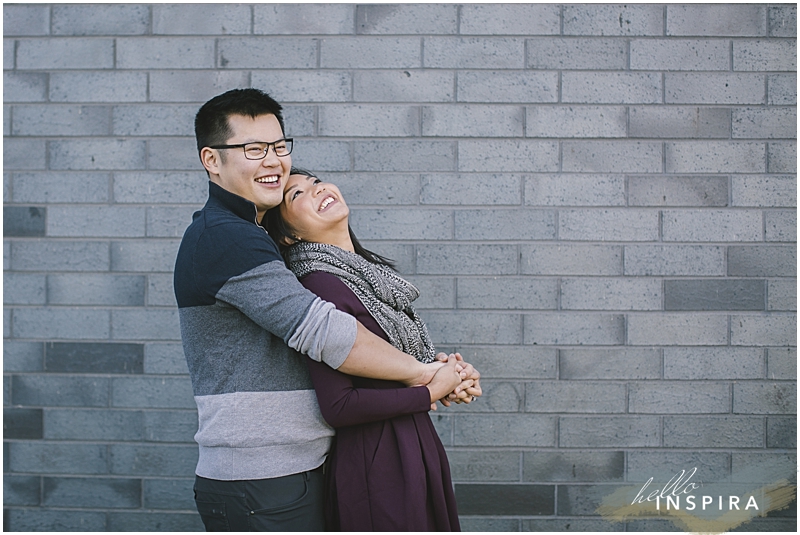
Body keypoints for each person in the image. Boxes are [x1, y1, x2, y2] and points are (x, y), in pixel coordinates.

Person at [174, 88, 480, 531]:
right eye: (253, 149)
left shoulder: (251, 235)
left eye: (279, 147)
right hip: (261, 480)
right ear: (212, 159)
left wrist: (430, 371)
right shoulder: (225, 237)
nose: (272, 161)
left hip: (293, 470)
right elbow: (321, 331)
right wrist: (426, 377)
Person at [265, 168, 469, 531]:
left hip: (410, 445)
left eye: (315, 182)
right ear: (288, 235)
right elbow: (339, 406)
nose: (318, 189)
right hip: (377, 463)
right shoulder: (319, 286)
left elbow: (397, 365)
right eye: (297, 194)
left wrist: (446, 373)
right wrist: (428, 391)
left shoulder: (368, 278)